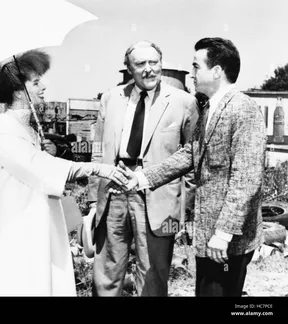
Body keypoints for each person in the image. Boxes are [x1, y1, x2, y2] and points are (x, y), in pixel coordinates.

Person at [110, 37, 266, 297]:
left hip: (228, 241)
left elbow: (246, 179)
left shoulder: (243, 109)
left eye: (196, 66)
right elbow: (189, 154)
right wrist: (141, 179)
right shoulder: (211, 109)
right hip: (209, 238)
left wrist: (224, 233)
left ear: (216, 71)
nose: (191, 74)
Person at [0, 50, 128, 296]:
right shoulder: (3, 131)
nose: (43, 86)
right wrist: (99, 167)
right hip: (11, 225)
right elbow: (42, 169)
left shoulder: (25, 128)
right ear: (20, 92)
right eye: (36, 82)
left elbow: (40, 167)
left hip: (33, 220)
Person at [88, 40, 199, 296]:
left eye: (154, 62)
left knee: (153, 274)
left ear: (161, 64)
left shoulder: (183, 102)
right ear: (129, 68)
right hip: (113, 192)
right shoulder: (110, 99)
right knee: (107, 272)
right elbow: (97, 150)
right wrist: (95, 198)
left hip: (157, 197)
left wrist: (187, 209)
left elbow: (191, 158)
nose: (149, 69)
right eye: (140, 64)